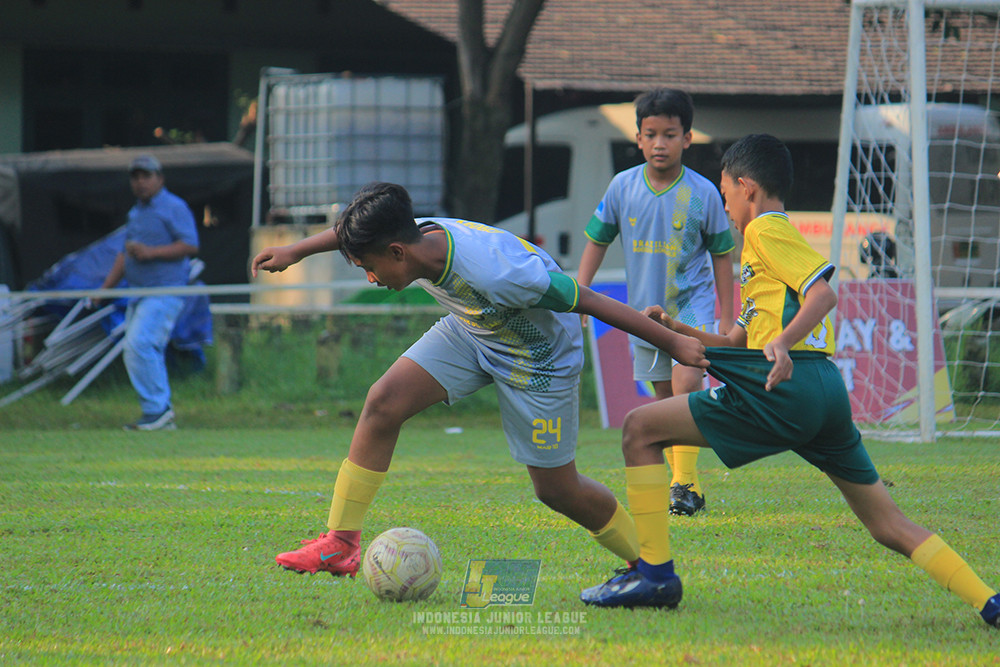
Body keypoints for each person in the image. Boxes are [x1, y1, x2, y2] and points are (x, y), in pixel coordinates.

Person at [579, 134, 1000, 629]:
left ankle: (653, 575)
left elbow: (823, 295)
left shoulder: (764, 232)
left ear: (746, 188)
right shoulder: (762, 251)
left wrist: (781, 344)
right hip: (823, 391)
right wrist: (676, 328)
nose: (725, 206)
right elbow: (736, 341)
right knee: (888, 524)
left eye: (724, 193)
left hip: (784, 388)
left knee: (638, 429)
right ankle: (989, 602)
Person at [250, 182, 709, 579]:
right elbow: (355, 231)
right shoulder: (409, 236)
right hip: (474, 330)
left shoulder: (496, 272)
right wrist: (297, 250)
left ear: (397, 253)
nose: (370, 278)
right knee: (383, 402)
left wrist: (672, 343)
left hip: (539, 361)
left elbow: (587, 299)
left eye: (368, 267)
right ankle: (341, 545)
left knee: (556, 489)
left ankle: (648, 565)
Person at [576, 88, 735, 516]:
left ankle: (683, 484)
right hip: (643, 314)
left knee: (686, 384)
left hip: (691, 310)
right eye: (652, 134)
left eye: (670, 134)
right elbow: (596, 240)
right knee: (664, 402)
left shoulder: (703, 193)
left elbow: (723, 256)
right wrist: (580, 293)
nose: (660, 143)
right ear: (639, 138)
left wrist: (725, 314)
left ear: (687, 138)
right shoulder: (622, 187)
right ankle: (685, 484)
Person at [98, 154, 199, 431]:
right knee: (138, 348)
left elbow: (191, 245)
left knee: (139, 345)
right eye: (136, 177)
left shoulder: (174, 206)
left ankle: (158, 410)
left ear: (160, 178)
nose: (140, 182)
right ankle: (156, 411)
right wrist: (104, 290)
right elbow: (124, 255)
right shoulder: (136, 213)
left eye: (146, 176)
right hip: (138, 292)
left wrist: (151, 252)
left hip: (165, 291)